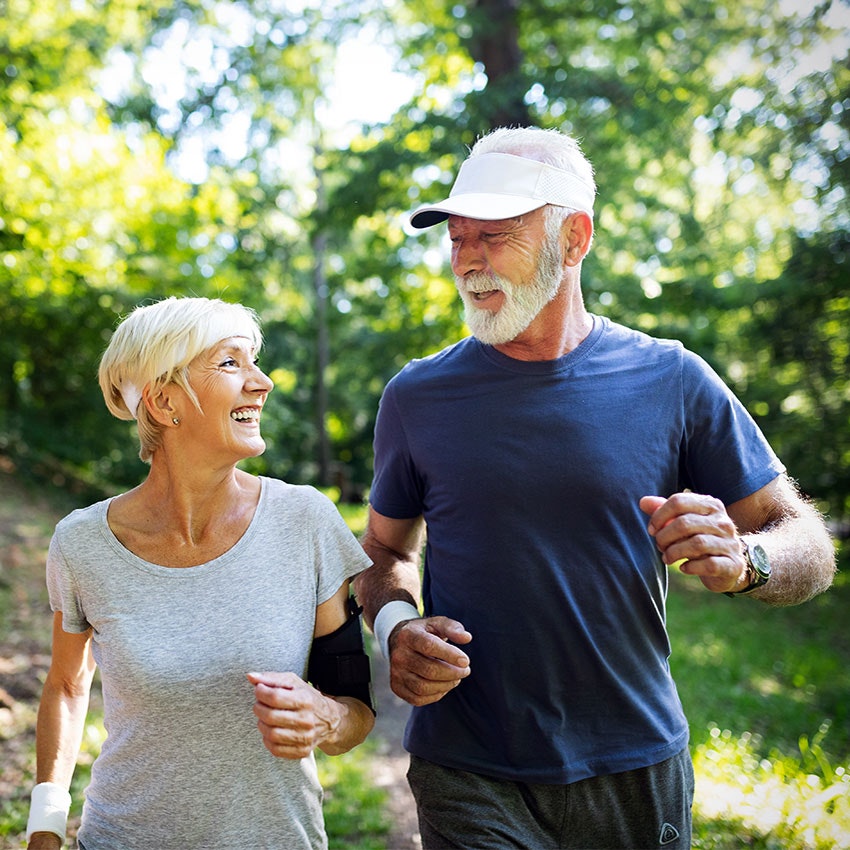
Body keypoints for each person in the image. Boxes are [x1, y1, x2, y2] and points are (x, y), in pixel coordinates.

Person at [353, 126, 836, 850]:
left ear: (573, 239)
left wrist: (749, 560)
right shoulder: (415, 396)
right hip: (468, 769)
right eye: (457, 238)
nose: (468, 260)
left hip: (635, 766)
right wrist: (396, 625)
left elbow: (809, 544)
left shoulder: (673, 379)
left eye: (494, 235)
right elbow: (384, 550)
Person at [25, 296, 375, 850]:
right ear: (165, 401)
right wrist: (44, 824)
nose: (262, 383)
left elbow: (356, 712)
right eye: (231, 362)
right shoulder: (83, 542)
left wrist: (326, 718)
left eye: (254, 362)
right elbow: (67, 686)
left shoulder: (305, 521)